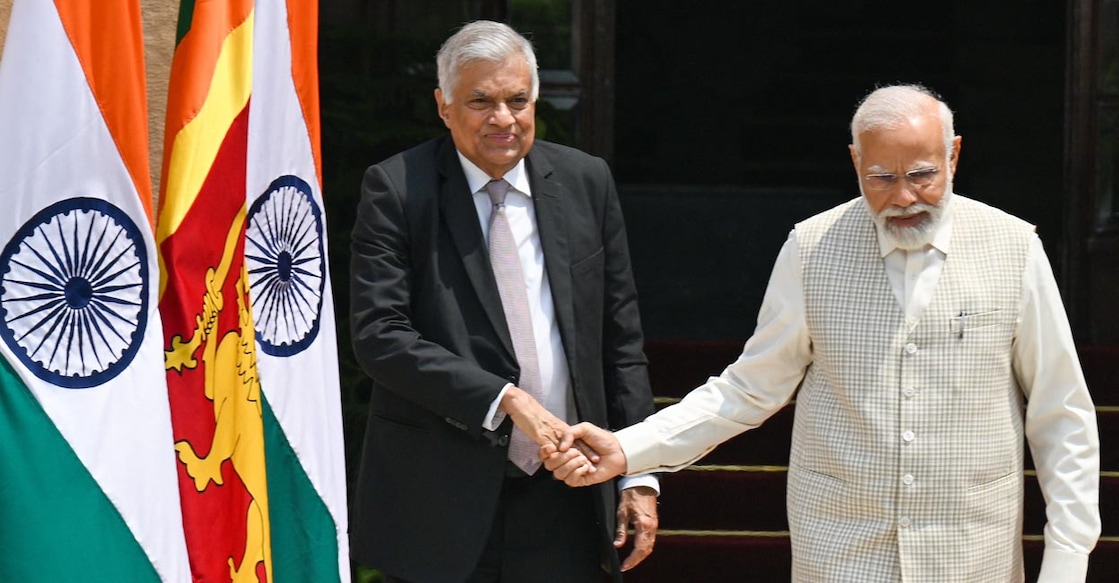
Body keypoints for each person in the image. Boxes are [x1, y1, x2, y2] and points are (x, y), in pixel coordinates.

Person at [543, 84, 1101, 582]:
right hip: (840, 554)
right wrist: (627, 446)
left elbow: (1061, 414)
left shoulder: (1014, 248)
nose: (904, 196)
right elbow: (746, 390)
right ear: (856, 162)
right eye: (881, 177)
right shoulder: (811, 250)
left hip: (971, 556)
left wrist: (1068, 560)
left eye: (922, 175)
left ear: (953, 155)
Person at [348, 19, 658, 583]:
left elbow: (621, 342)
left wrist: (637, 471)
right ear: (443, 106)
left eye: (518, 100)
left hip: (569, 491)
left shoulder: (587, 181)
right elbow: (380, 337)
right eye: (481, 101)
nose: (503, 119)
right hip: (440, 499)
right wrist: (503, 399)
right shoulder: (397, 189)